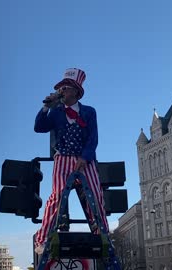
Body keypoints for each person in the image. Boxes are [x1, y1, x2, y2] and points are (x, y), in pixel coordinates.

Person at [33, 68, 109, 254]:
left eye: (65, 88)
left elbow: (93, 137)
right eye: (61, 89)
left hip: (85, 159)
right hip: (63, 158)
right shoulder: (57, 112)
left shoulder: (89, 112)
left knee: (95, 195)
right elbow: (39, 127)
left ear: (76, 91)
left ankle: (103, 235)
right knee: (56, 197)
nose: (62, 91)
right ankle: (42, 240)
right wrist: (46, 107)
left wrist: (85, 156)